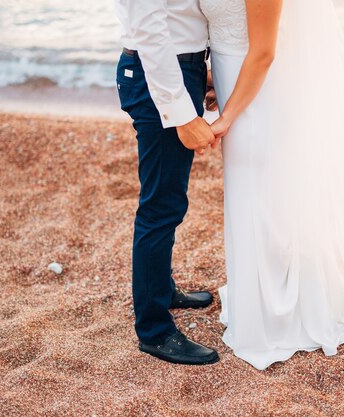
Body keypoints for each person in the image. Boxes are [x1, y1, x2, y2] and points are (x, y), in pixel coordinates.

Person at [201, 0, 344, 370]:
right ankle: (259, 304)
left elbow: (263, 52)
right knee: (253, 196)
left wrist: (226, 117)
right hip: (239, 87)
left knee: (266, 198)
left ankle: (282, 314)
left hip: (259, 98)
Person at [114, 0, 220, 365]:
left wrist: (200, 73)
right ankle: (155, 331)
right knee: (160, 206)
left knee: (169, 200)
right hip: (157, 76)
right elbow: (148, 27)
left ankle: (161, 290)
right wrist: (179, 110)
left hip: (176, 70)